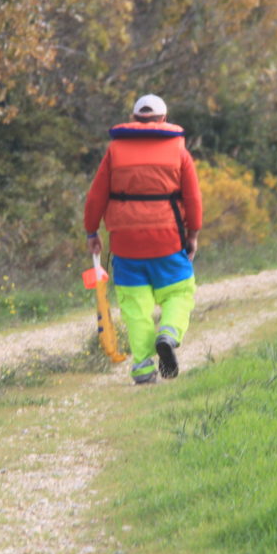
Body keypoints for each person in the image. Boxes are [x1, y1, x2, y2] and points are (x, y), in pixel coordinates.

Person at [84, 94, 202, 385]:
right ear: (163, 119)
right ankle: (169, 333)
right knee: (178, 293)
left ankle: (142, 367)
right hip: (167, 239)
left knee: (135, 307)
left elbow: (96, 196)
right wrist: (193, 233)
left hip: (125, 243)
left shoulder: (115, 151)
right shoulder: (178, 150)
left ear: (135, 119)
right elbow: (193, 197)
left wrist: (91, 232)